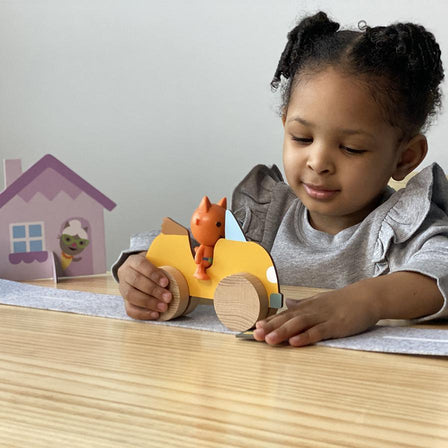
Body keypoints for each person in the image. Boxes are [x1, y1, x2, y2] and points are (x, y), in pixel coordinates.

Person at [113, 11, 448, 346]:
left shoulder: (403, 228)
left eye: (351, 148)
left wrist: (366, 300)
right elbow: (192, 243)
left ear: (405, 157)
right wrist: (140, 268)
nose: (318, 162)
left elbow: (442, 267)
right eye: (301, 138)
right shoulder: (265, 216)